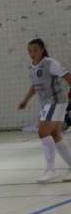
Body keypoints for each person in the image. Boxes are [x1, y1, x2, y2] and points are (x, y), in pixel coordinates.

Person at [18, 38, 71, 184]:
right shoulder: (32, 67)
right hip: (47, 103)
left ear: (42, 49)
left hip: (56, 100)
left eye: (35, 50)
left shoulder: (50, 63)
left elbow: (67, 76)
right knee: (54, 134)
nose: (32, 53)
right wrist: (25, 100)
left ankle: (51, 169)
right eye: (30, 51)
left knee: (43, 132)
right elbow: (35, 86)